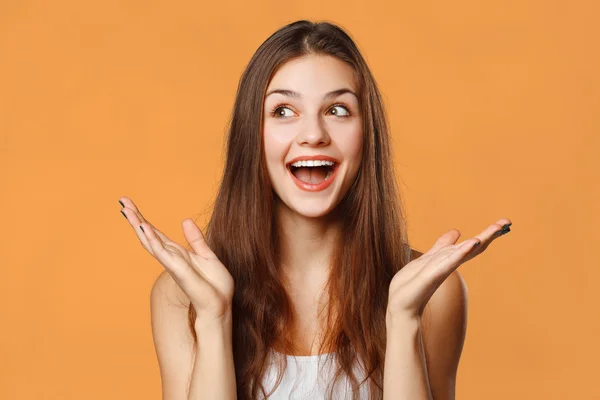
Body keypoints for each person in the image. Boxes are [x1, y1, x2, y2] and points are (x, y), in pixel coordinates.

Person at [119, 20, 512, 400]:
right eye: (283, 111)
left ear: (366, 135)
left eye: (338, 110)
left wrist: (404, 319)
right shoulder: (181, 297)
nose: (313, 135)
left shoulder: (435, 294)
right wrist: (213, 318)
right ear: (250, 136)